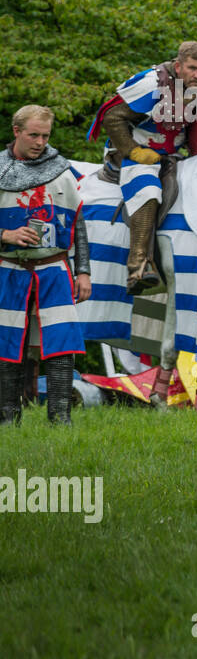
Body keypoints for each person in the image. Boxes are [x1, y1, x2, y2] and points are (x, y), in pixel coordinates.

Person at [89, 41, 197, 294]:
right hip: (134, 150)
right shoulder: (153, 83)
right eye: (192, 68)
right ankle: (138, 266)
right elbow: (112, 117)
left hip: (172, 155)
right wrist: (133, 151)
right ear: (177, 65)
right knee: (149, 191)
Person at [0, 106, 91, 425]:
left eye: (45, 135)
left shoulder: (62, 172)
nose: (40, 142)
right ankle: (8, 417)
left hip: (54, 269)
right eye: (33, 135)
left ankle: (60, 418)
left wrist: (83, 271)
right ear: (16, 131)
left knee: (62, 341)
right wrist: (5, 234)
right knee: (6, 341)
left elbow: (78, 222)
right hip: (9, 268)